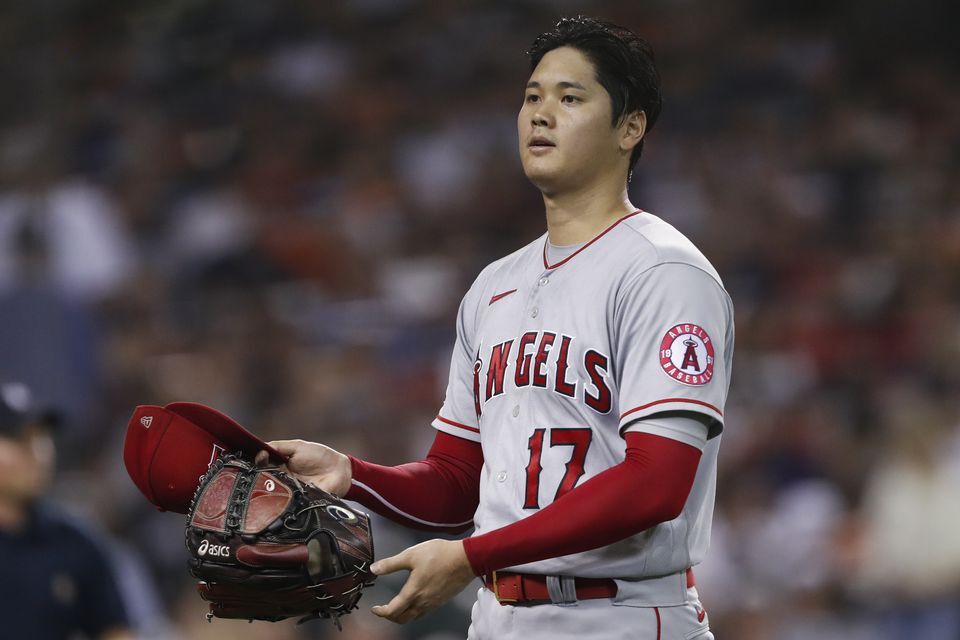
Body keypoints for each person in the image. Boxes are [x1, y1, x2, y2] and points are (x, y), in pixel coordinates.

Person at [261, 16, 733, 639]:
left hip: (620, 614)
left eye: (570, 98)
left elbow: (656, 484)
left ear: (631, 126)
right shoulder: (493, 288)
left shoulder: (662, 271)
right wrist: (352, 475)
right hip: (500, 618)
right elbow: (458, 484)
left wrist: (471, 556)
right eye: (532, 97)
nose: (541, 114)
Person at [0, 381, 134, 640]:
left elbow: (116, 632)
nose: (38, 452)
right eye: (19, 439)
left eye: (42, 438)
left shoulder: (74, 543)